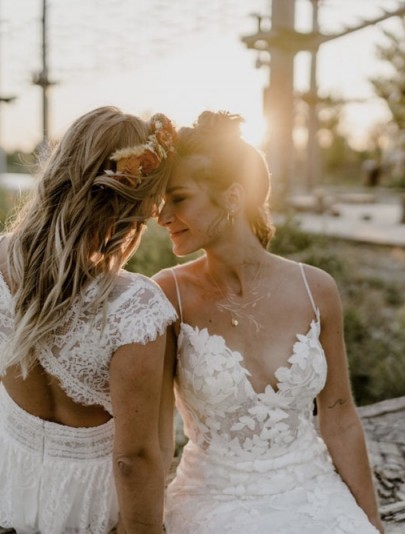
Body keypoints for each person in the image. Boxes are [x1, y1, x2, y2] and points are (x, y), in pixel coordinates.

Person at [0, 106, 179, 534]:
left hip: (2, 477)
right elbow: (133, 458)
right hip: (87, 502)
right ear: (137, 205)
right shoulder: (136, 306)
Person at [153, 111, 384, 534]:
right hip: (214, 499)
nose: (162, 215)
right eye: (160, 202)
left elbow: (338, 412)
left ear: (234, 196)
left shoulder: (316, 288)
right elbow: (152, 437)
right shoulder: (167, 296)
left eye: (179, 198)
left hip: (314, 490)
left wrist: (370, 521)